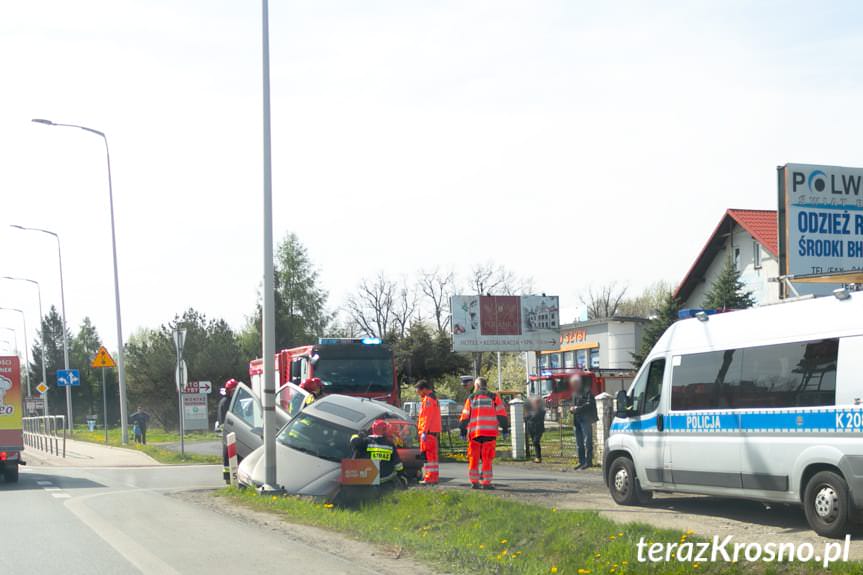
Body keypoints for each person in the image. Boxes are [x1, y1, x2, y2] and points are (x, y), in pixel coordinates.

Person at [459, 377, 509, 489]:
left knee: (474, 457)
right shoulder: (494, 397)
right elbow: (502, 415)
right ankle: (486, 483)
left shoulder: (471, 398)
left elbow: (465, 416)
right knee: (487, 458)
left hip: (475, 433)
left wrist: (462, 431)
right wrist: (505, 429)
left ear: (477, 386)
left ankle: (474, 482)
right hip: (489, 433)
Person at [349, 419, 406, 487]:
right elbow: (398, 464)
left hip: (367, 478)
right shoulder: (390, 444)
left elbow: (353, 441)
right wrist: (401, 475)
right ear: (384, 431)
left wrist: (359, 434)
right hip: (385, 479)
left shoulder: (365, 441)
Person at [415, 380, 441, 485]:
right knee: (433, 457)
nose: (418, 394)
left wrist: (424, 431)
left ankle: (429, 478)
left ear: (424, 389)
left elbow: (426, 417)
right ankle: (433, 477)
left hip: (428, 432)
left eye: (418, 391)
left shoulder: (428, 400)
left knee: (428, 457)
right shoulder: (434, 398)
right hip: (433, 432)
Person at [569, 375, 597, 470]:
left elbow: (590, 404)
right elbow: (573, 405)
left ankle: (588, 462)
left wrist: (578, 408)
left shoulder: (587, 391)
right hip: (576, 420)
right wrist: (571, 409)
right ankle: (581, 462)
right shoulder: (574, 393)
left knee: (587, 441)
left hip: (586, 419)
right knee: (579, 443)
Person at [217, 378, 239, 483]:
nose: (234, 392)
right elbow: (223, 420)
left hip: (234, 432)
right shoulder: (225, 402)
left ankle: (233, 476)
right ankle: (228, 478)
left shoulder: (234, 401)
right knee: (227, 456)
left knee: (234, 455)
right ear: (228, 391)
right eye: (233, 390)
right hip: (228, 432)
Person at [524, 396, 546, 463]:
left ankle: (538, 457)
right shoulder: (529, 410)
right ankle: (537, 457)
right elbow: (526, 418)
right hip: (531, 428)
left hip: (538, 429)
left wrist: (529, 417)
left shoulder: (542, 410)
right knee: (535, 443)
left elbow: (536, 417)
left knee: (536, 441)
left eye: (536, 402)